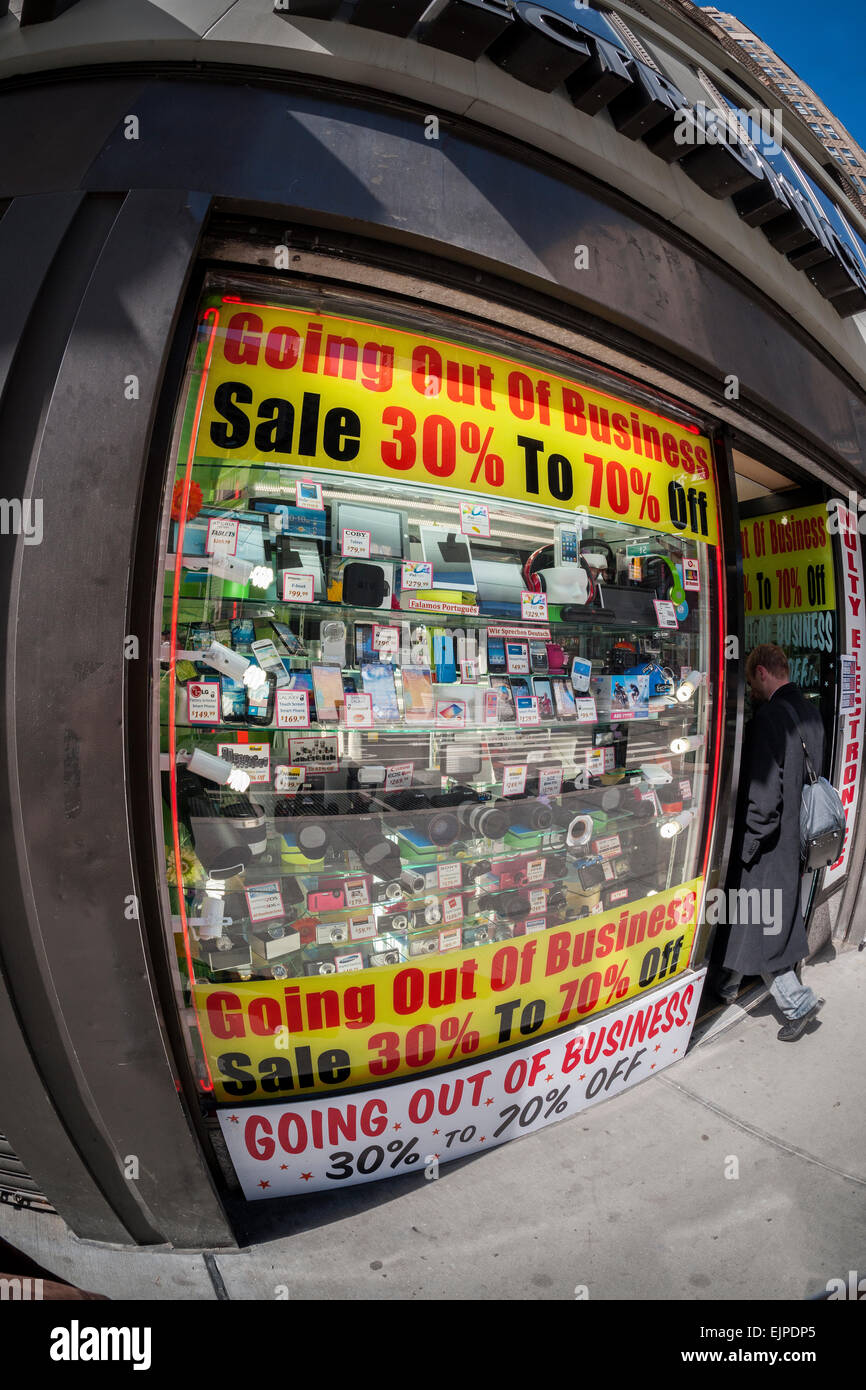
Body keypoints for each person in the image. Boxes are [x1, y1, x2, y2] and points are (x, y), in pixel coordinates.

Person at [720, 643, 826, 1040]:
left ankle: (796, 1003)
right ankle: (728, 983)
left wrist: (746, 845)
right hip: (798, 839)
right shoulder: (811, 712)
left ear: (763, 673)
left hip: (770, 843)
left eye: (752, 681)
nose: (753, 689)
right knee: (752, 915)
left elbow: (764, 798)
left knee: (764, 923)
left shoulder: (769, 719)